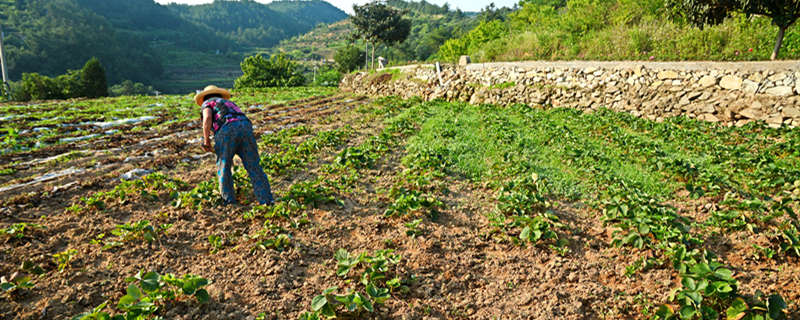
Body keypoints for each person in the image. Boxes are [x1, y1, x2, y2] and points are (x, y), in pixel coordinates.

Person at [195, 85, 274, 205]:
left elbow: (207, 119)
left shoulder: (207, 103)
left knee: (224, 166)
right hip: (245, 126)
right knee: (254, 166)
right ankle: (267, 200)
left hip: (227, 129)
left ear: (205, 96)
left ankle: (229, 201)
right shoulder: (228, 103)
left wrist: (206, 141)